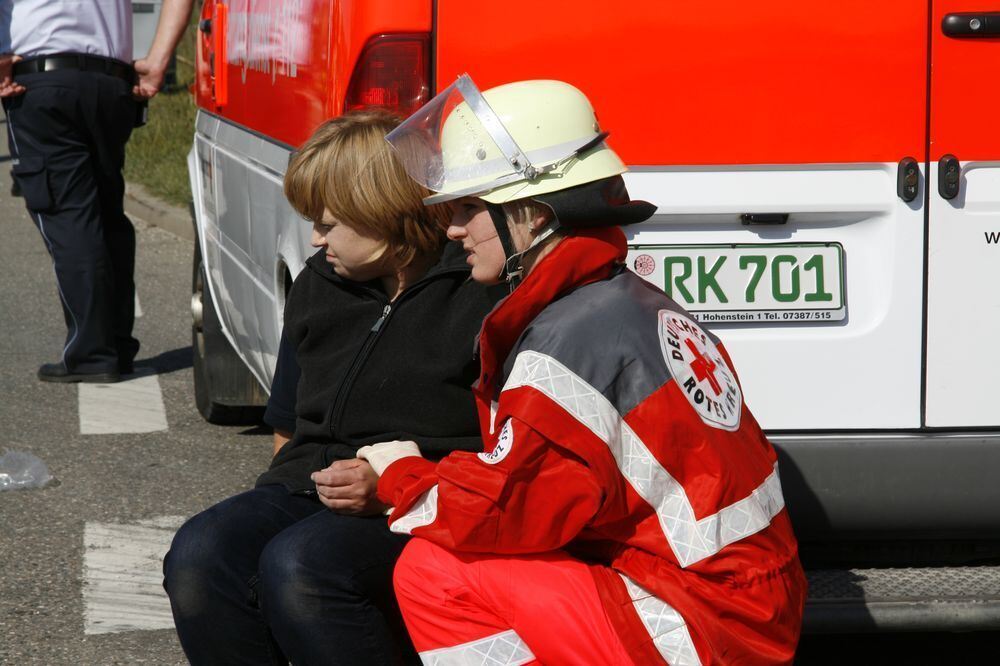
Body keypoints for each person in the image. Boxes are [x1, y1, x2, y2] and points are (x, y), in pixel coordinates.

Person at [358, 76, 808, 665]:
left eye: (470, 208)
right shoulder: (625, 301)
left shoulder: (568, 340)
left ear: (535, 217)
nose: (452, 230)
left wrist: (399, 475)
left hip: (698, 625)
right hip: (745, 605)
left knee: (433, 570)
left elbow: (510, 510)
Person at [163, 109, 502, 666]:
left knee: (301, 568)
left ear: (386, 215)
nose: (315, 240)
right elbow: (287, 426)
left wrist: (394, 482)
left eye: (327, 223)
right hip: (308, 489)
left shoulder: (478, 293)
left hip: (422, 498)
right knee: (200, 554)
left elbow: (507, 453)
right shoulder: (319, 285)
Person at [0, 0, 193, 383]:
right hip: (110, 83)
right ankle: (116, 346)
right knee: (106, 214)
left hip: (42, 80)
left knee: (67, 214)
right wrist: (158, 59)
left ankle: (91, 354)